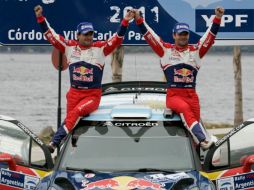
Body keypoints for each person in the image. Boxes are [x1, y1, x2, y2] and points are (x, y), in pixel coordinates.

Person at [34, 5, 134, 153]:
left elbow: (117, 39)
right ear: (78, 36)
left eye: (90, 34)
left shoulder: (100, 49)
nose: (88, 37)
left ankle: (54, 144)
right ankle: (71, 152)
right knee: (71, 124)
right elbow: (51, 36)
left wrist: (125, 21)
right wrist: (40, 18)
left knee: (75, 115)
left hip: (92, 95)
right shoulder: (69, 47)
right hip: (74, 93)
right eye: (85, 34)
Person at [133, 7, 224, 149]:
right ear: (174, 35)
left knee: (194, 122)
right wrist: (139, 20)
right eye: (180, 34)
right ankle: (203, 140)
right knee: (186, 111)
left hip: (192, 95)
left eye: (185, 34)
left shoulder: (196, 52)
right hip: (174, 96)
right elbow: (150, 36)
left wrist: (217, 18)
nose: (183, 37)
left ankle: (196, 154)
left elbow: (209, 37)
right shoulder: (165, 51)